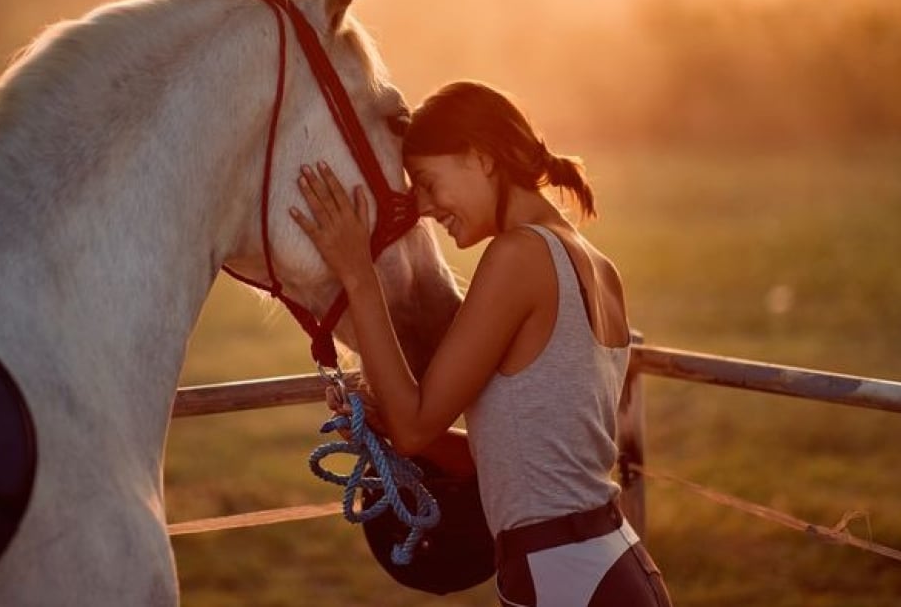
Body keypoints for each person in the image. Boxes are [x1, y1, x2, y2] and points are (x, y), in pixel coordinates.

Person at [288, 80, 673, 606]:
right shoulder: (597, 266)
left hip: (566, 576)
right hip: (598, 562)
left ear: (479, 158)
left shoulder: (520, 257)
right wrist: (379, 421)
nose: (423, 206)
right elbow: (525, 454)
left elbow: (414, 426)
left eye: (426, 181)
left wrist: (357, 274)